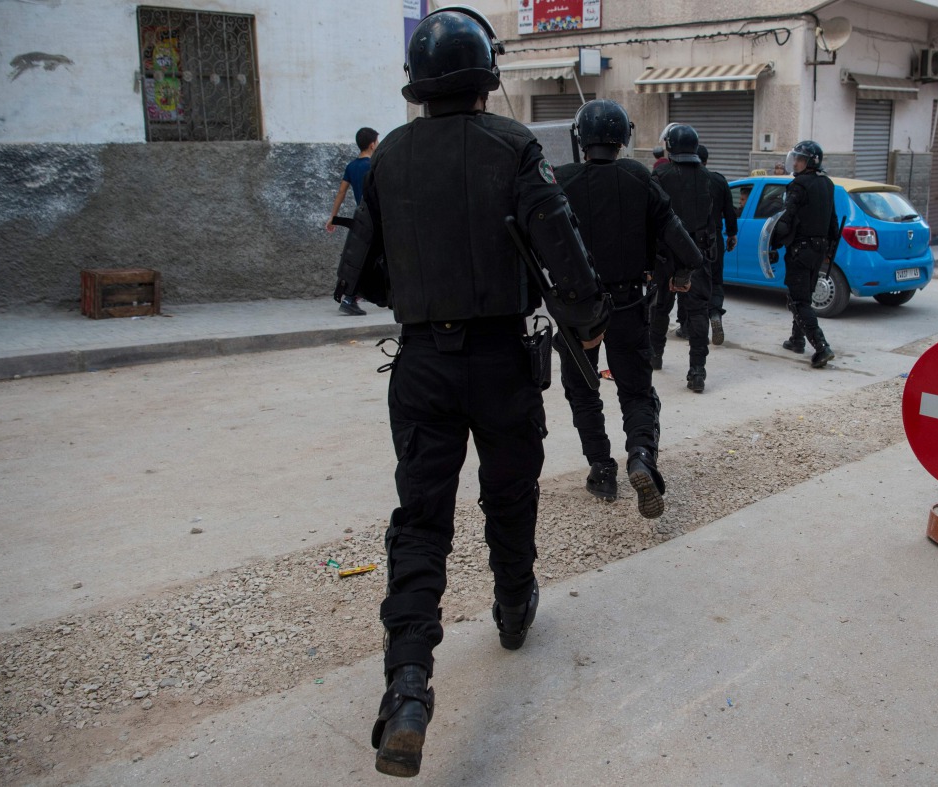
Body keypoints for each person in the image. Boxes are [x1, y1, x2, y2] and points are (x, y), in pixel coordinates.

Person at [334, 6, 610, 776]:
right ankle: (513, 605)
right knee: (509, 495)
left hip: (421, 363)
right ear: (489, 78)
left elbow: (356, 275)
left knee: (420, 520)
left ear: (417, 88)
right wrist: (589, 321)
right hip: (503, 359)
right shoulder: (515, 145)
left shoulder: (385, 159)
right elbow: (566, 253)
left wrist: (424, 293)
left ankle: (410, 685)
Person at [554, 99, 702, 519]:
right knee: (636, 390)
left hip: (576, 309)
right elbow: (681, 242)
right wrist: (683, 272)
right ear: (624, 137)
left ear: (580, 138)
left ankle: (602, 470)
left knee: (583, 390)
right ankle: (640, 456)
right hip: (628, 303)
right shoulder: (639, 176)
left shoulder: (559, 180)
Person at [649, 124, 715, 392]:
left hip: (666, 254)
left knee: (659, 307)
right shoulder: (709, 177)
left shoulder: (661, 174)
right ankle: (697, 370)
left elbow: (650, 218)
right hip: (697, 253)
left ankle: (655, 355)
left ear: (671, 146)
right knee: (698, 312)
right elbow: (712, 218)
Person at [770, 140, 840, 369]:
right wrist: (829, 249)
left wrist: (773, 244)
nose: (796, 162)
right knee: (804, 296)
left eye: (800, 159)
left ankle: (821, 347)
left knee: (798, 300)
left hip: (801, 249)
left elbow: (785, 218)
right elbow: (832, 220)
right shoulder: (827, 184)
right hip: (819, 250)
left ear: (810, 162)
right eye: (796, 158)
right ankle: (796, 339)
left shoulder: (798, 185)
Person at [327, 127, 379, 316]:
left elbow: (341, 192)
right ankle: (350, 297)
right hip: (375, 219)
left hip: (361, 218)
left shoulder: (351, 166)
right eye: (377, 142)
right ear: (373, 144)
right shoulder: (373, 165)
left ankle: (354, 295)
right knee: (370, 259)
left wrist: (333, 217)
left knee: (364, 258)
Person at [697, 144, 738, 345]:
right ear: (707, 160)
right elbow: (729, 212)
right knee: (716, 281)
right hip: (714, 241)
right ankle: (715, 314)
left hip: (690, 242)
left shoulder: (685, 179)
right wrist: (732, 234)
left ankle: (689, 326)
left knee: (692, 283)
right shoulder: (719, 180)